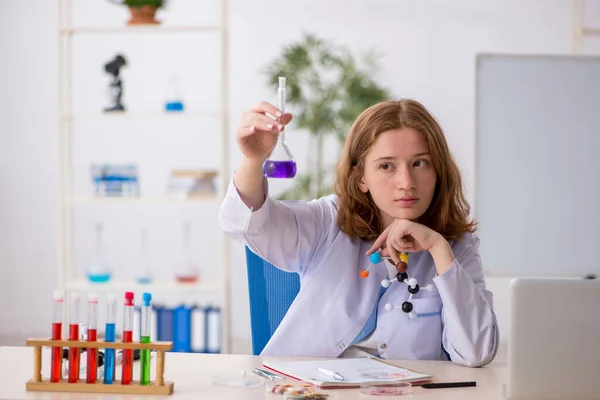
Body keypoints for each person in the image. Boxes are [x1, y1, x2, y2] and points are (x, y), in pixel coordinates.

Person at [219, 99, 499, 367]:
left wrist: (438, 247)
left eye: (419, 163)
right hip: (305, 389)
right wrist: (252, 161)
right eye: (386, 166)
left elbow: (476, 352)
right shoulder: (328, 221)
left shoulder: (455, 248)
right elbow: (248, 224)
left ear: (438, 171)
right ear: (361, 178)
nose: (406, 183)